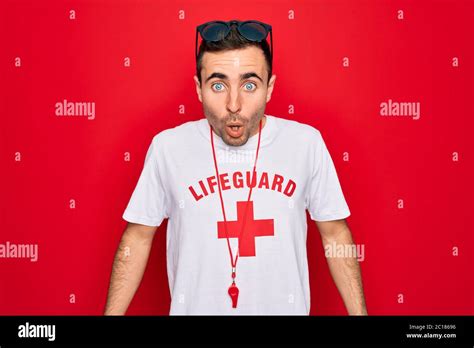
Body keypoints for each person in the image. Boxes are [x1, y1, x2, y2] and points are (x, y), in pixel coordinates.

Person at [104, 19, 367, 315]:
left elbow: (334, 233)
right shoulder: (168, 147)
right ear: (199, 89)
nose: (233, 104)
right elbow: (138, 237)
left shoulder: (306, 143)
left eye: (250, 84)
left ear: (269, 88)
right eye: (218, 85)